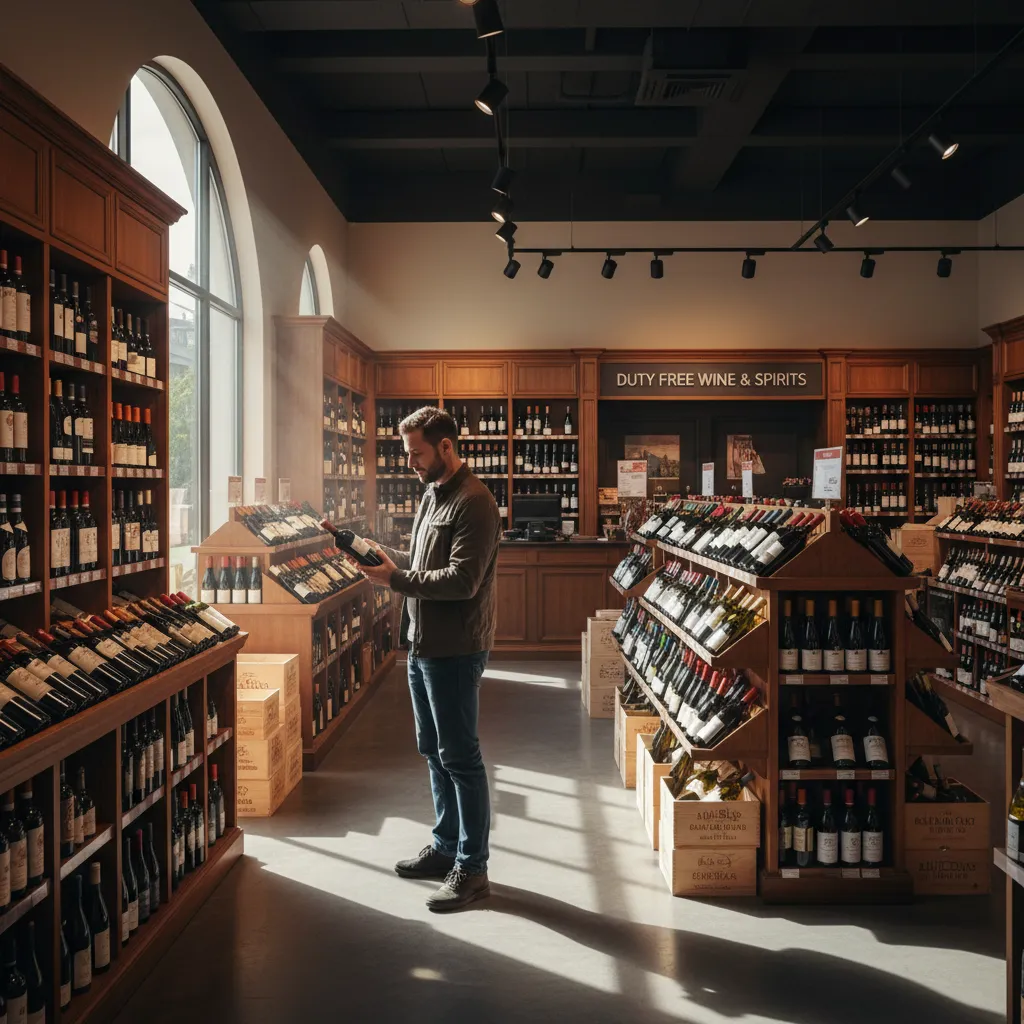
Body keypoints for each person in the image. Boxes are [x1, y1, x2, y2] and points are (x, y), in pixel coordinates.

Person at [354, 406, 502, 912]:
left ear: (444, 447)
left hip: (456, 647)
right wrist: (388, 557)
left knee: (461, 756)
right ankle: (444, 848)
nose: (410, 462)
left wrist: (392, 579)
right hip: (421, 642)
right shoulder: (430, 494)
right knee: (434, 751)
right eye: (406, 453)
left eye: (416, 453)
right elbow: (424, 565)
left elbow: (463, 581)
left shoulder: (475, 502)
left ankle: (473, 866)